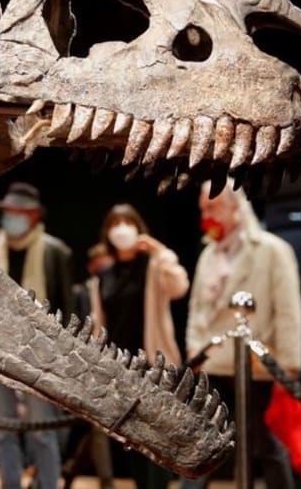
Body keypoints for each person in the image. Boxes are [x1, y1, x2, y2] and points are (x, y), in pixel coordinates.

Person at [180, 179, 301, 489]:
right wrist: (195, 349)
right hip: (212, 362)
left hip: (257, 365)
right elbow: (197, 308)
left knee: (267, 445)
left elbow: (288, 310)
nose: (206, 214)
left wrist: (289, 363)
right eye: (203, 208)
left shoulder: (273, 250)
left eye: (212, 206)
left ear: (235, 208)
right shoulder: (208, 254)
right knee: (201, 441)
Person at [87, 203, 190, 489]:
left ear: (138, 228)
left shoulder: (154, 266)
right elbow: (100, 327)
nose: (121, 229)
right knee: (131, 441)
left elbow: (180, 286)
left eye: (127, 222)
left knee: (157, 442)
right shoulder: (102, 277)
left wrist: (159, 250)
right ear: (107, 232)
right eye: (115, 223)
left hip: (154, 366)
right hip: (120, 369)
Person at [0, 182, 75, 489]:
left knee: (42, 429)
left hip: (42, 354)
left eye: (18, 212)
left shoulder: (55, 252)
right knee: (3, 428)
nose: (12, 217)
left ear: (34, 215)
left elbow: (69, 309)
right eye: (8, 212)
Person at [61, 244, 115, 489]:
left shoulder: (115, 289)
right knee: (95, 426)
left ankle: (70, 469)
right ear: (92, 266)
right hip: (86, 366)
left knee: (96, 427)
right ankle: (106, 482)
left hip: (112, 364)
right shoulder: (80, 292)